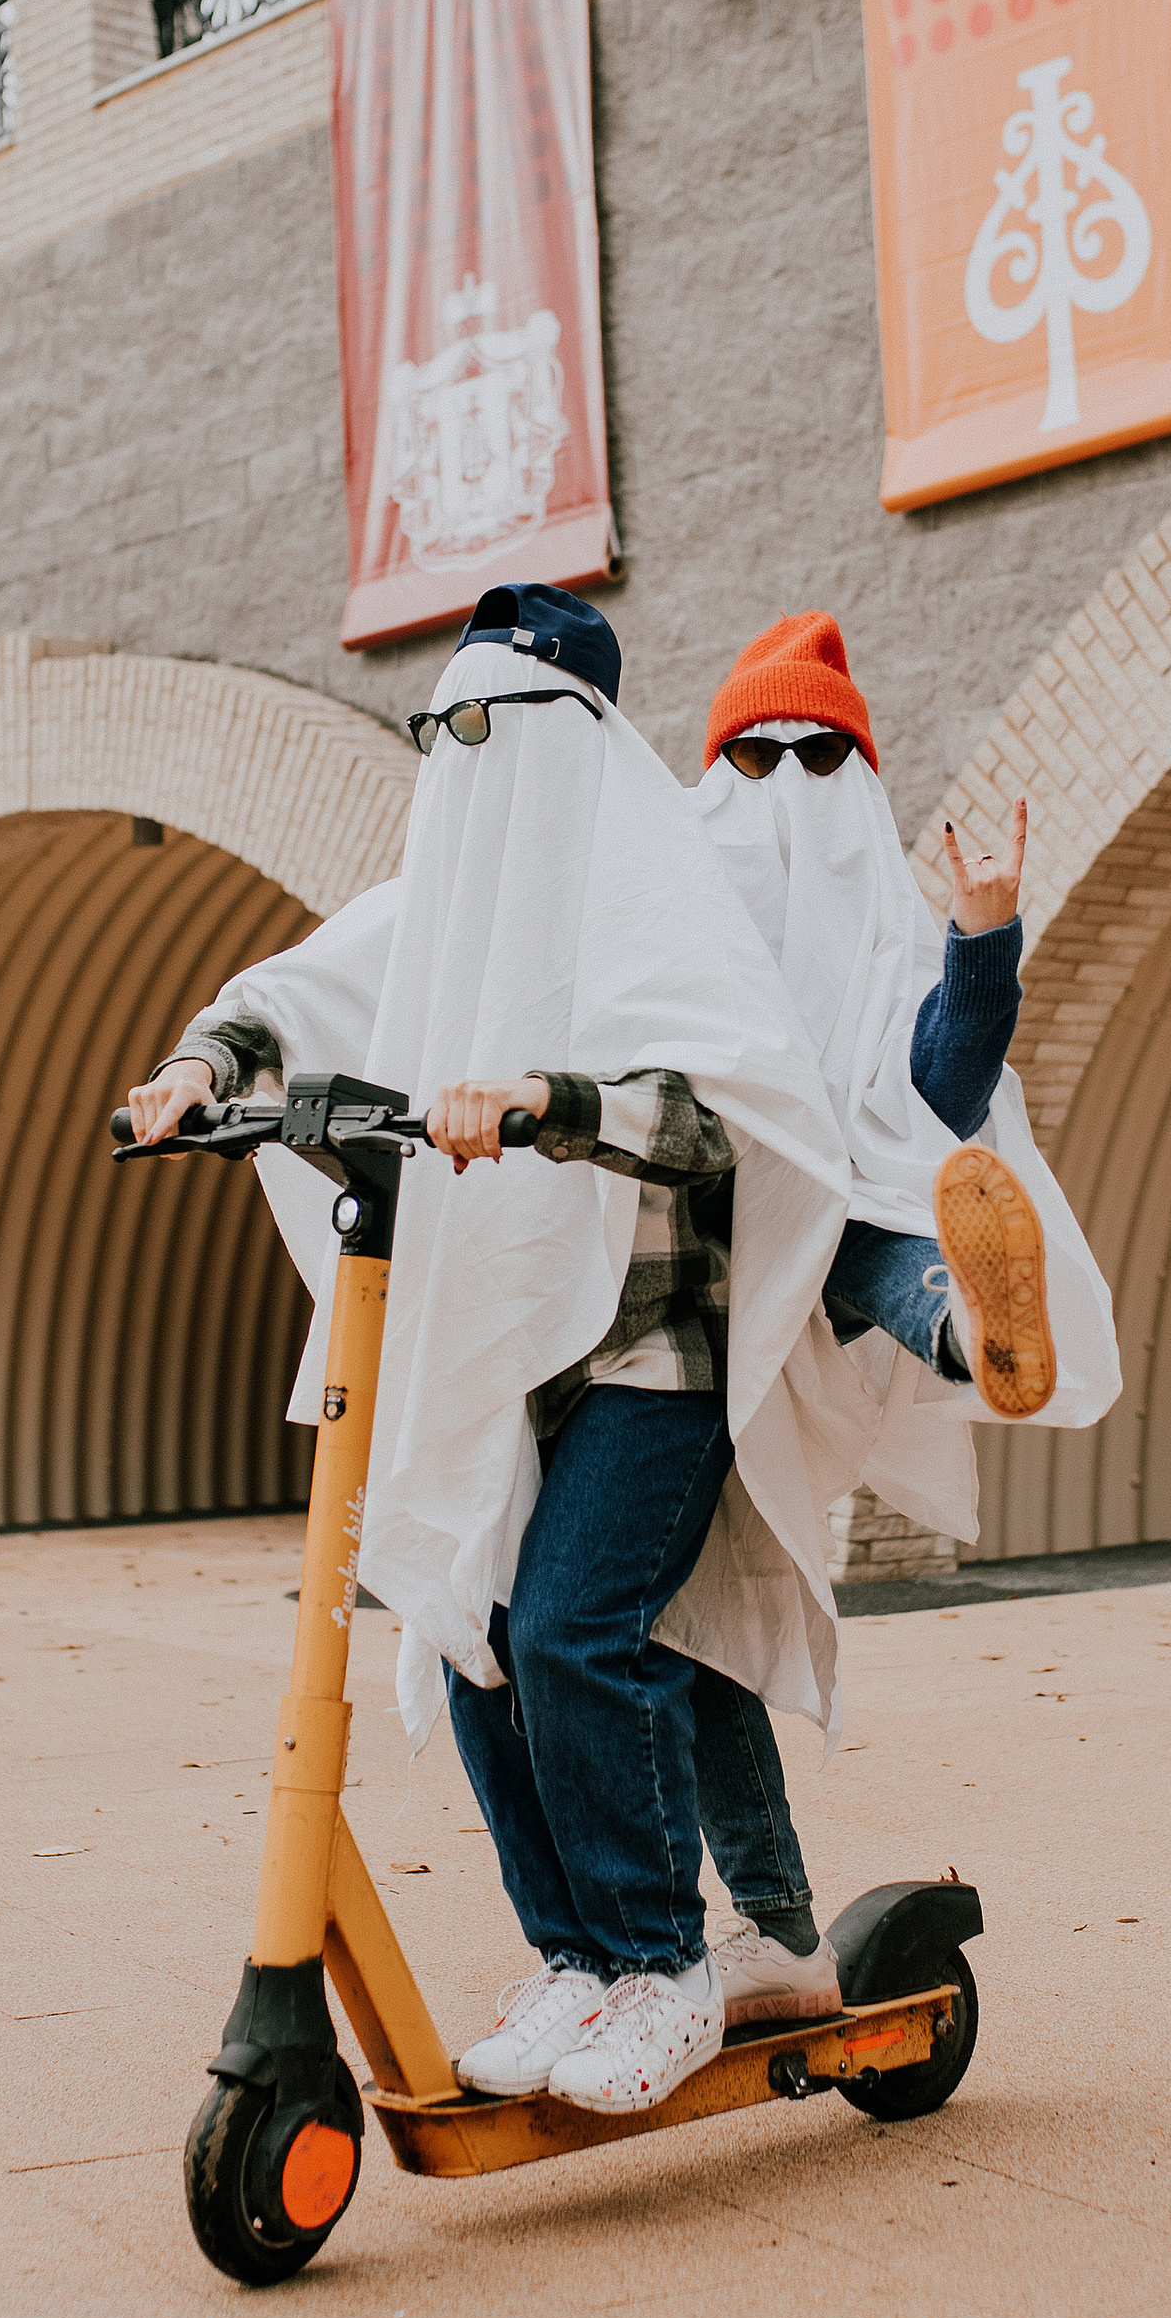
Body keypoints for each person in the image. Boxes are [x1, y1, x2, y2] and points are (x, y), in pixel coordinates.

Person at [126, 584, 858, 2118]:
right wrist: (203, 1066)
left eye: (484, 727)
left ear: (568, 739)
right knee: (467, 1632)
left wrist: (553, 1102)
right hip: (510, 1351)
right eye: (435, 731)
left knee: (570, 1631)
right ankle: (580, 1961)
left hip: (653, 1347)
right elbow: (306, 986)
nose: (459, 762)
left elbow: (731, 1109)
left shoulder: (648, 889)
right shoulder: (450, 897)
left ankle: (661, 1969)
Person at [683, 612, 1123, 2001]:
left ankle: (971, 1329)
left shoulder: (874, 927)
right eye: (756, 756)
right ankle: (756, 1915)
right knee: (688, 1625)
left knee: (870, 1211)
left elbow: (936, 1085)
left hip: (836, 1230)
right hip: (698, 1273)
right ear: (713, 768)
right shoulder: (678, 914)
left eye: (823, 758)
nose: (789, 786)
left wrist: (981, 940)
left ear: (862, 778)